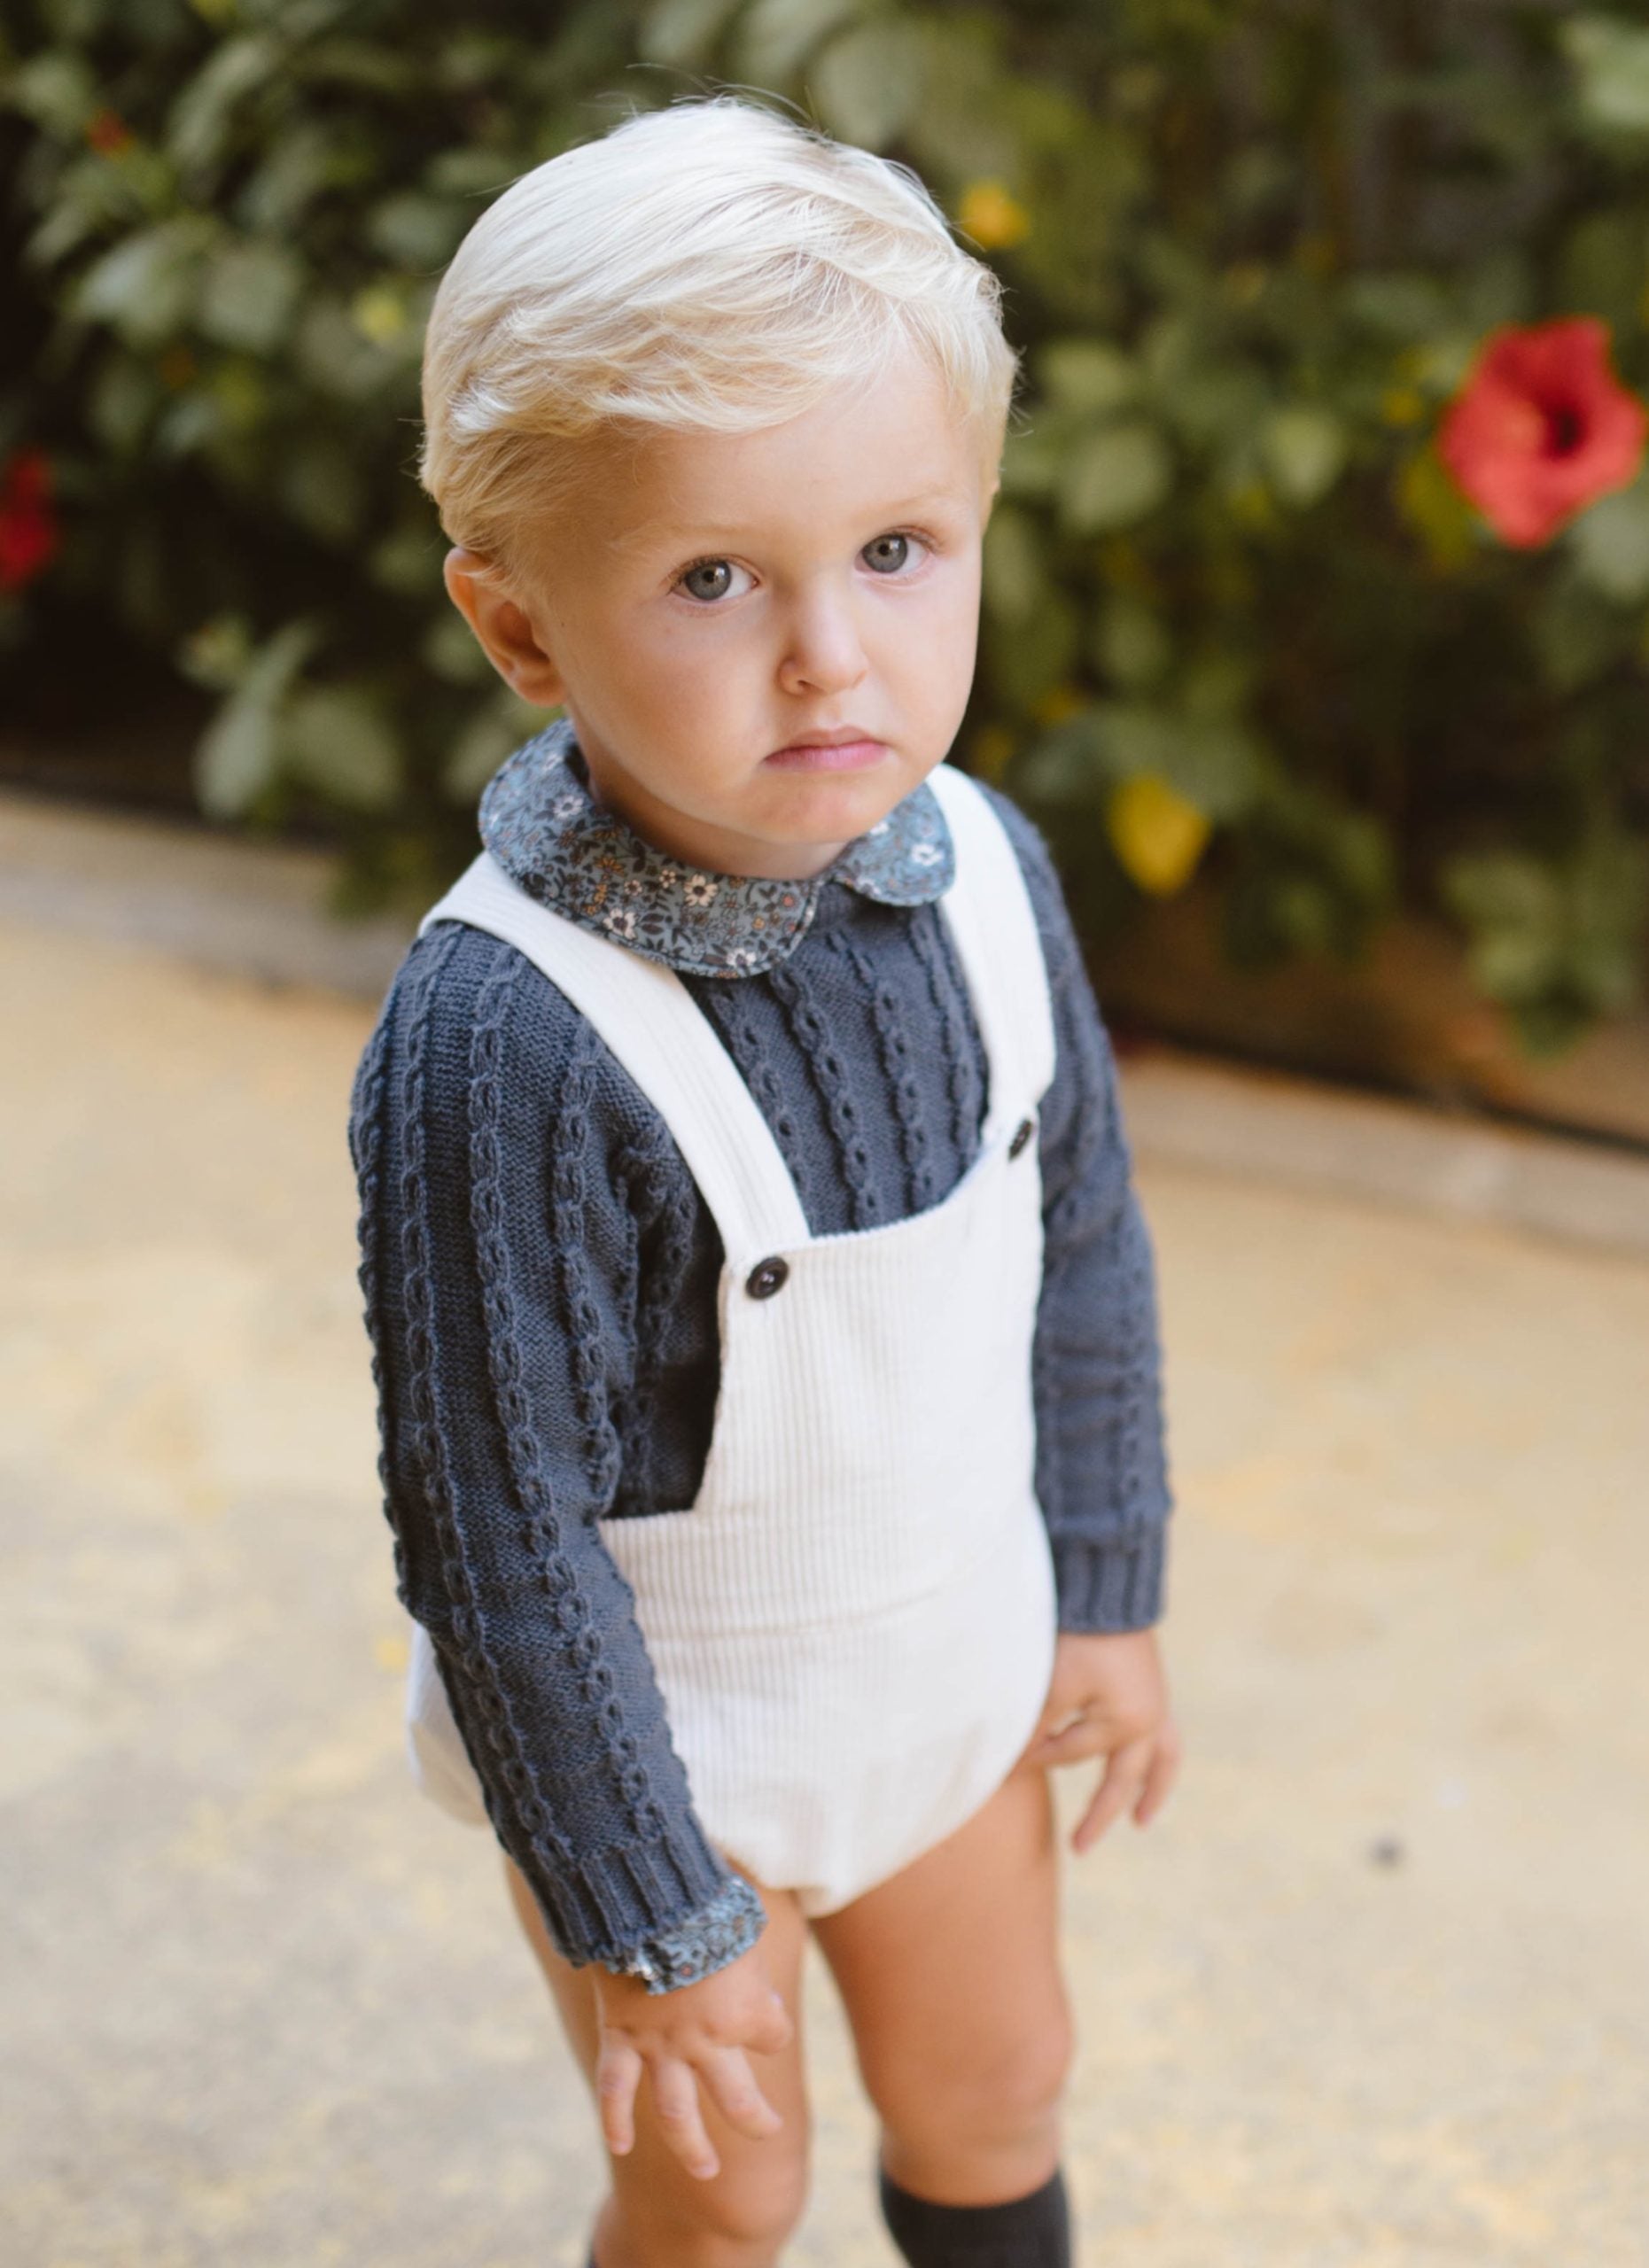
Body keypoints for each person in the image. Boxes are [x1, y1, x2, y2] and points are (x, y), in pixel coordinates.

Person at [348, 92, 1181, 2268]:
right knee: (722, 2193)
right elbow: (493, 1529)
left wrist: (1105, 1579)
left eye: (896, 551)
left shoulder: (984, 870)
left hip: (948, 1657)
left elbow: (1079, 1237)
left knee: (996, 2086)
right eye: (713, 578)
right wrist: (641, 1902)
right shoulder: (508, 1036)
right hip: (662, 1749)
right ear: (523, 630)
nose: (831, 653)